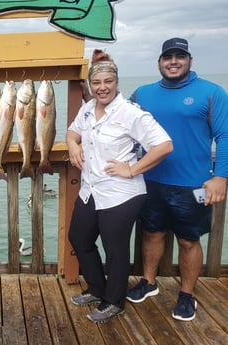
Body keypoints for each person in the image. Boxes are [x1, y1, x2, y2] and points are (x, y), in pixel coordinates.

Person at [66, 50, 173, 323]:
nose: (102, 87)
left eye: (107, 82)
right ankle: (97, 288)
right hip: (91, 189)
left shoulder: (131, 113)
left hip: (120, 194)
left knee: (115, 250)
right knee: (79, 238)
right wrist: (72, 144)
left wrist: (132, 169)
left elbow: (164, 145)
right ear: (90, 84)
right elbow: (72, 130)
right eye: (96, 82)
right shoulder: (88, 109)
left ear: (116, 83)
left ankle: (114, 301)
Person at [126, 38, 228, 321]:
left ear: (190, 60)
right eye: (168, 56)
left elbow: (225, 136)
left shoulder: (212, 93)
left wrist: (221, 175)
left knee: (188, 240)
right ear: (159, 61)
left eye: (179, 56)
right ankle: (148, 282)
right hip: (150, 180)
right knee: (151, 233)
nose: (173, 61)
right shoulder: (142, 93)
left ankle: (187, 294)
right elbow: (116, 117)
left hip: (192, 184)